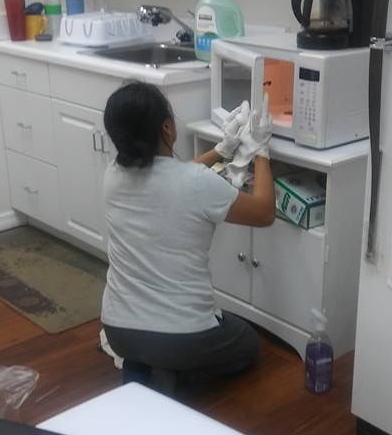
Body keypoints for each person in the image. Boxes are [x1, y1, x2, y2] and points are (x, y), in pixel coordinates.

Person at [101, 81, 275, 387]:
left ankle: (143, 369)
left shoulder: (112, 176)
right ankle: (173, 373)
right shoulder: (195, 183)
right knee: (247, 342)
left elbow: (172, 179)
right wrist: (261, 151)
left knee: (152, 349)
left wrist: (221, 151)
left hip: (119, 330)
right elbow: (263, 212)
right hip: (182, 336)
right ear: (167, 128)